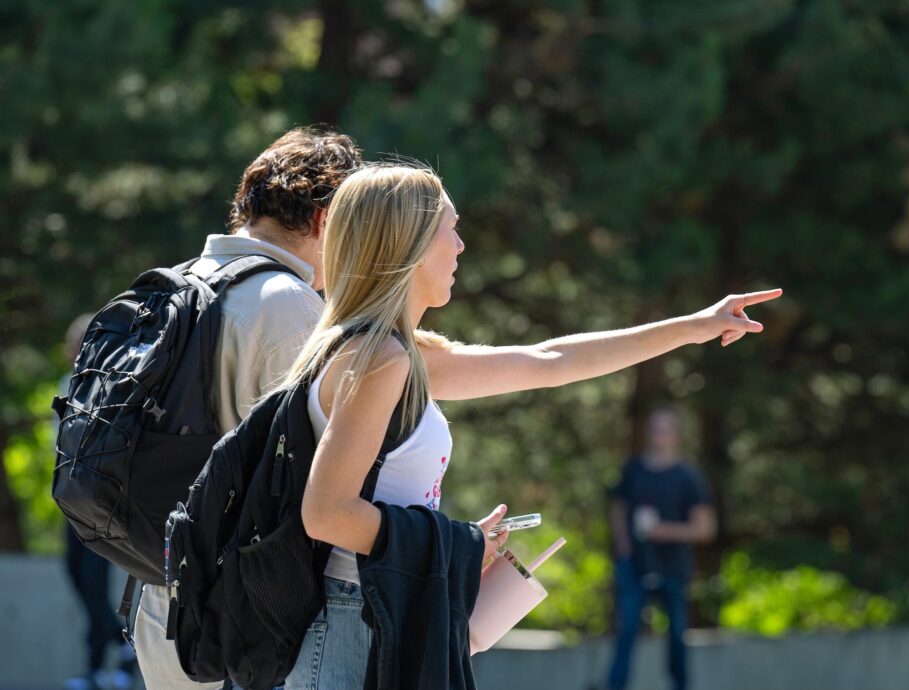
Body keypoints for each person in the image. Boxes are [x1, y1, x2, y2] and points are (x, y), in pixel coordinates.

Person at [280, 162, 780, 689]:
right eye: (450, 228)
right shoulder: (380, 359)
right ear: (410, 245)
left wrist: (695, 325)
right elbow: (328, 514)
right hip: (357, 618)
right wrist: (458, 543)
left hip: (381, 612)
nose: (461, 245)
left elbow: (550, 359)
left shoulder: (395, 353)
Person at [132, 126, 362, 690]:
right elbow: (320, 481)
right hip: (238, 617)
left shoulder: (185, 281)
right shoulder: (288, 304)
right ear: (325, 220)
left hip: (160, 596)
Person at [606, 408, 718, 690]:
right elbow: (618, 507)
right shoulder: (633, 469)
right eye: (655, 428)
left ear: (677, 435)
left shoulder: (688, 477)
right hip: (634, 565)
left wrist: (661, 530)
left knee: (677, 634)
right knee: (627, 630)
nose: (659, 435)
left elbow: (705, 528)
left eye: (666, 429)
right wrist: (624, 546)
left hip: (674, 568)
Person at [60, 315, 137, 690]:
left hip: (96, 505)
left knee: (94, 583)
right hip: (67, 502)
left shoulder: (111, 385)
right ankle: (120, 647)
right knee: (77, 577)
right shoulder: (69, 383)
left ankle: (104, 665)